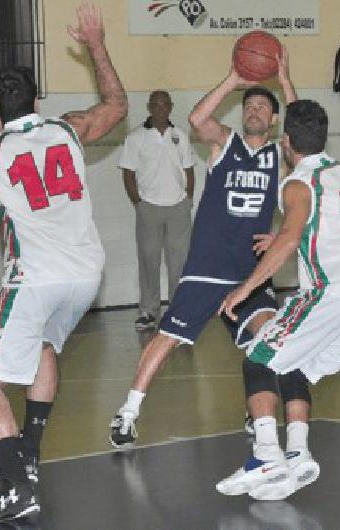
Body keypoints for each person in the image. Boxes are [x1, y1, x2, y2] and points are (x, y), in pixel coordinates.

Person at [0, 4, 127, 523]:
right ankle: (31, 452)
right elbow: (116, 103)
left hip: (35, 278)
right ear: (38, 101)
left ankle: (17, 488)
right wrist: (95, 45)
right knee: (45, 347)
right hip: (86, 275)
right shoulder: (69, 129)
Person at [109, 46, 298, 449]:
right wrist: (234, 79)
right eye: (250, 106)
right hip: (207, 266)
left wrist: (283, 81)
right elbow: (197, 119)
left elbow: (300, 131)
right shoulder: (224, 144)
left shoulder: (278, 157)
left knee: (268, 340)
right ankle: (128, 413)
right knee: (167, 337)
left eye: (264, 107)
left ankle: (257, 411)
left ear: (275, 119)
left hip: (250, 271)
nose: (255, 111)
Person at [214, 99, 340, 501]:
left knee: (258, 358)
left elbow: (292, 236)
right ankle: (297, 452)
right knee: (295, 365)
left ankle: (266, 456)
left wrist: (244, 289)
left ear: (286, 140)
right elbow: (322, 225)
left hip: (333, 294)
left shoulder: (297, 182)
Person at [118, 90, 195, 330]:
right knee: (149, 260)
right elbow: (128, 173)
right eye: (156, 104)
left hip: (178, 208)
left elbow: (189, 169)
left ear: (171, 106)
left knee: (179, 263)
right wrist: (138, 203)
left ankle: (177, 310)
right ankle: (148, 311)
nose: (161, 108)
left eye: (165, 104)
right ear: (149, 107)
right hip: (149, 207)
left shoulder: (180, 135)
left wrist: (187, 198)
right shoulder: (136, 138)